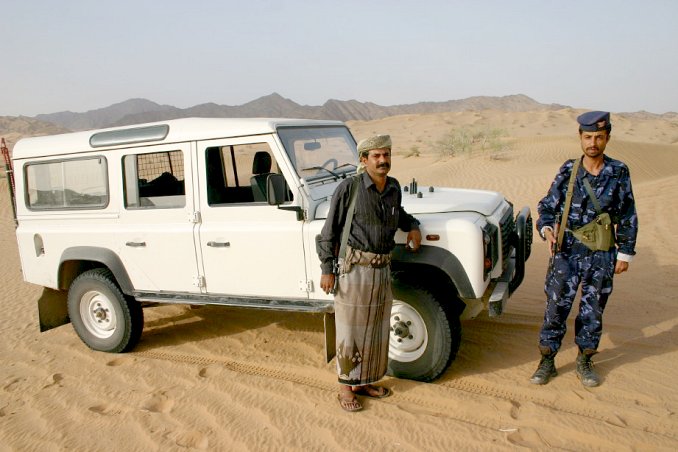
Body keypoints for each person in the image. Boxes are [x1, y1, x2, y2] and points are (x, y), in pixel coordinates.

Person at [531, 111, 638, 387]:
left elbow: (627, 214)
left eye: (599, 137)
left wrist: (625, 252)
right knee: (555, 308)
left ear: (607, 139)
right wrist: (546, 228)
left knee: (593, 311)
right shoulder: (569, 170)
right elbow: (546, 206)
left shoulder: (619, 172)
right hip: (565, 253)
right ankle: (547, 360)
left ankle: (585, 361)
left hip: (601, 255)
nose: (593, 142)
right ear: (580, 138)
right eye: (588, 137)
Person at [316, 134, 422, 411]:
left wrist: (413, 225)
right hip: (354, 270)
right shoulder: (349, 188)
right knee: (350, 331)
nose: (383, 160)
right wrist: (328, 269)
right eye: (376, 155)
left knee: (374, 331)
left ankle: (364, 382)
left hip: (382, 269)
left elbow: (399, 215)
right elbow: (328, 232)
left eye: (386, 154)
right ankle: (345, 389)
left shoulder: (394, 187)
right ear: (364, 160)